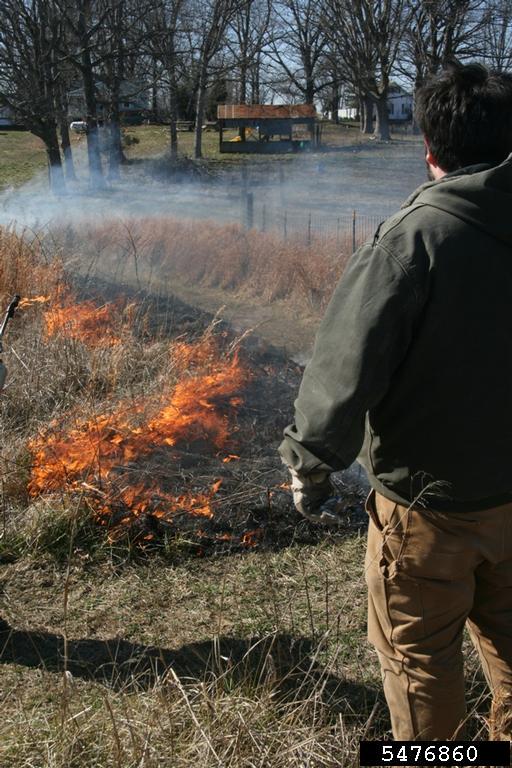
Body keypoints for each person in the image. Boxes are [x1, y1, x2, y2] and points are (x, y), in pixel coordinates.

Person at [279, 61, 512, 741]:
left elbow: (344, 368)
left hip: (427, 510)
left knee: (420, 666)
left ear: (429, 148)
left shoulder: (413, 239)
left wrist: (310, 464)